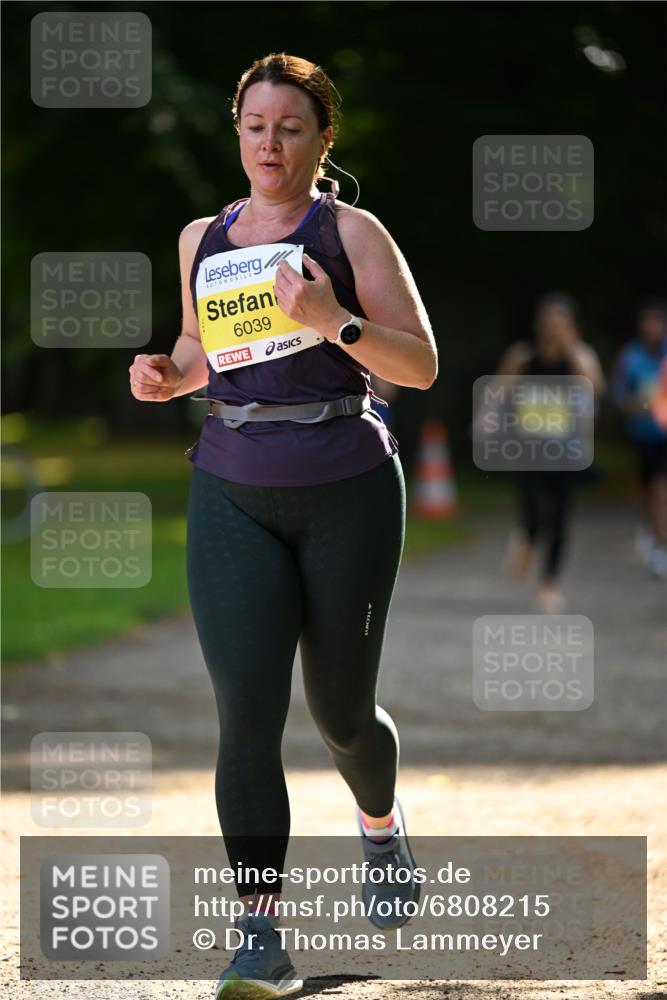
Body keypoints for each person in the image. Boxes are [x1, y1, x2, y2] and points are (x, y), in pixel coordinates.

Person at [129, 52, 437, 999]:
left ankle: (380, 828)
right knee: (246, 719)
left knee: (340, 713)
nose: (270, 143)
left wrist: (335, 320)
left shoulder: (351, 231)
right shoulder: (202, 237)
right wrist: (167, 374)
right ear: (237, 131)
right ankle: (259, 932)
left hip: (345, 481)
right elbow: (199, 346)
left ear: (320, 139)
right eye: (255, 125)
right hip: (231, 486)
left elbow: (419, 364)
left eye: (290, 127)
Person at [497, 293, 605, 612]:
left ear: (572, 327)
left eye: (560, 325)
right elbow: (499, 392)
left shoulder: (580, 357)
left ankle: (548, 584)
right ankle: (526, 540)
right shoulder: (523, 356)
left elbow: (596, 389)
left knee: (560, 519)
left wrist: (572, 351)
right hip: (528, 447)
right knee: (532, 512)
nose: (553, 330)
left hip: (566, 451)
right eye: (548, 324)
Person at [611, 298, 667, 579]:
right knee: (649, 491)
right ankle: (652, 531)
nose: (652, 327)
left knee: (660, 490)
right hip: (644, 434)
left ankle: (661, 546)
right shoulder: (630, 357)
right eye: (647, 322)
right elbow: (618, 395)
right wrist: (637, 405)